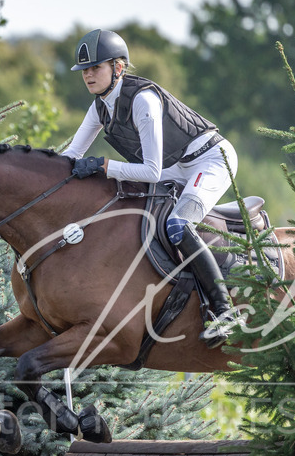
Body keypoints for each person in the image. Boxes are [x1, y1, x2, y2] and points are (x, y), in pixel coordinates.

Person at [61, 29, 239, 348]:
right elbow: (71, 156)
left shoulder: (143, 100)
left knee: (177, 224)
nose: (88, 75)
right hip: (175, 165)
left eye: (95, 67)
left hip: (210, 159)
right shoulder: (99, 107)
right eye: (85, 70)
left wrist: (104, 166)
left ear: (118, 68)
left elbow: (152, 171)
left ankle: (225, 312)